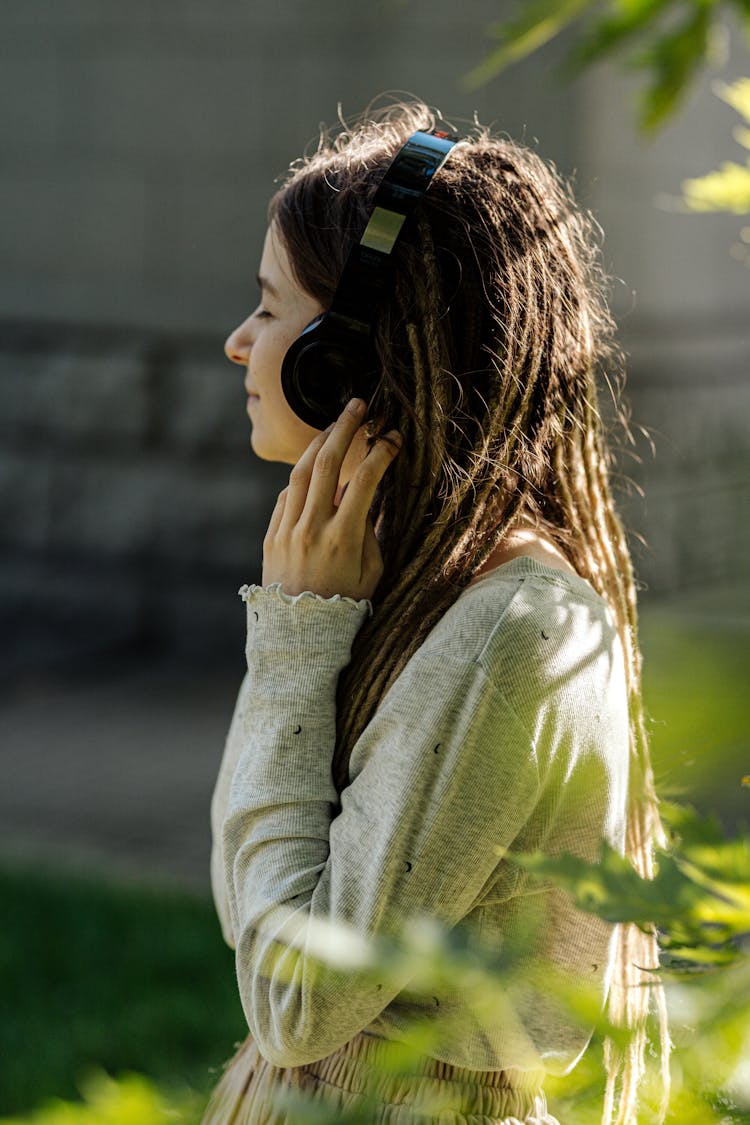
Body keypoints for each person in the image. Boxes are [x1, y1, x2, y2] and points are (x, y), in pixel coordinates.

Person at [203, 99, 670, 1125]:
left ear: (351, 360)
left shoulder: (512, 634)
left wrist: (291, 647)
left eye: (272, 310)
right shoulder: (422, 587)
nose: (240, 344)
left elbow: (295, 999)